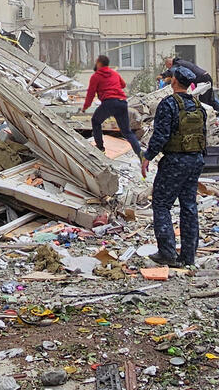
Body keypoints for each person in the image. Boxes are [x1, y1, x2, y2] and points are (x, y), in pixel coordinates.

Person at [142, 64, 207, 267]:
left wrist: (148, 157)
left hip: (175, 161)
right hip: (195, 160)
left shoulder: (168, 104)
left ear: (175, 81)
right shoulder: (198, 106)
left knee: (161, 204)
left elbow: (161, 135)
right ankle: (188, 256)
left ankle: (167, 252)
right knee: (189, 206)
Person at [83, 54, 142, 159]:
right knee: (126, 132)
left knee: (96, 121)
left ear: (99, 64)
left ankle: (100, 148)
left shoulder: (96, 76)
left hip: (109, 102)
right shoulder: (114, 73)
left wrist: (85, 107)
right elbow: (123, 85)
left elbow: (90, 93)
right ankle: (140, 154)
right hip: (122, 102)